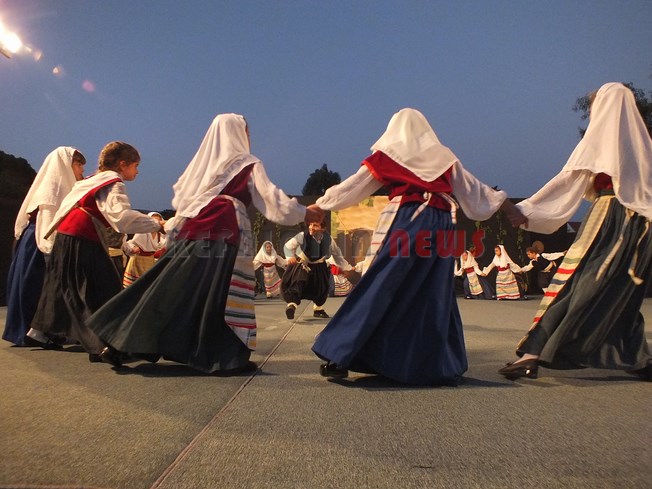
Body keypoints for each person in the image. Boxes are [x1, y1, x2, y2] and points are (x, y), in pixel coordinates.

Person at [88, 113, 323, 374]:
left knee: (170, 288)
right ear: (237, 133)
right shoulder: (246, 162)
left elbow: (186, 206)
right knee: (219, 295)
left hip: (193, 231)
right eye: (246, 132)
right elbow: (271, 200)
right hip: (223, 231)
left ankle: (119, 344)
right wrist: (304, 213)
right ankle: (223, 355)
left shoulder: (204, 167)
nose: (248, 138)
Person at [311, 108, 524, 385]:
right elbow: (476, 189)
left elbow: (355, 185)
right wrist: (509, 208)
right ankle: (433, 365)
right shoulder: (444, 157)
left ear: (395, 130)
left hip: (411, 220)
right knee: (435, 291)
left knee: (382, 283)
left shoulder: (390, 154)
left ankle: (340, 353)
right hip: (444, 223)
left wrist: (320, 205)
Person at [499, 82, 652, 381]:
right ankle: (636, 359)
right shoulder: (644, 144)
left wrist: (528, 209)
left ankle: (534, 355)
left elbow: (568, 180)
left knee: (582, 284)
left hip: (609, 218)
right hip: (641, 227)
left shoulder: (602, 138)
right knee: (620, 291)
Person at [29, 142, 164, 362]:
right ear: (122, 164)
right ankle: (112, 345)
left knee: (81, 290)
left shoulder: (92, 180)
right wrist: (157, 224)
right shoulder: (113, 182)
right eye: (135, 166)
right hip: (82, 238)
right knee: (103, 291)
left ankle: (100, 345)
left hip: (68, 238)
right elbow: (121, 218)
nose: (137, 171)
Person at [3, 147, 86, 347]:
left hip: (35, 240)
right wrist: (51, 250)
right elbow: (47, 221)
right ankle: (35, 332)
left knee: (34, 286)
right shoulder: (54, 187)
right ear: (66, 165)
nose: (81, 170)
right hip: (39, 241)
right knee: (37, 287)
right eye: (78, 165)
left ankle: (41, 331)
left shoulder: (56, 185)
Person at [281, 220, 353, 319]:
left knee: (321, 287)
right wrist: (290, 257)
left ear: (323, 228)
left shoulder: (329, 240)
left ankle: (318, 308)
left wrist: (347, 268)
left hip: (319, 266)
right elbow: (288, 246)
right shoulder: (302, 236)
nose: (311, 227)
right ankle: (292, 306)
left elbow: (337, 255)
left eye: (315, 225)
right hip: (303, 263)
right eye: (310, 224)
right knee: (297, 281)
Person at [122, 212, 166, 287]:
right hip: (138, 260)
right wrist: (133, 248)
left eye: (158, 221)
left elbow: (162, 245)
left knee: (147, 284)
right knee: (135, 285)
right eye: (154, 221)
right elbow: (130, 243)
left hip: (150, 261)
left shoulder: (159, 235)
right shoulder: (143, 232)